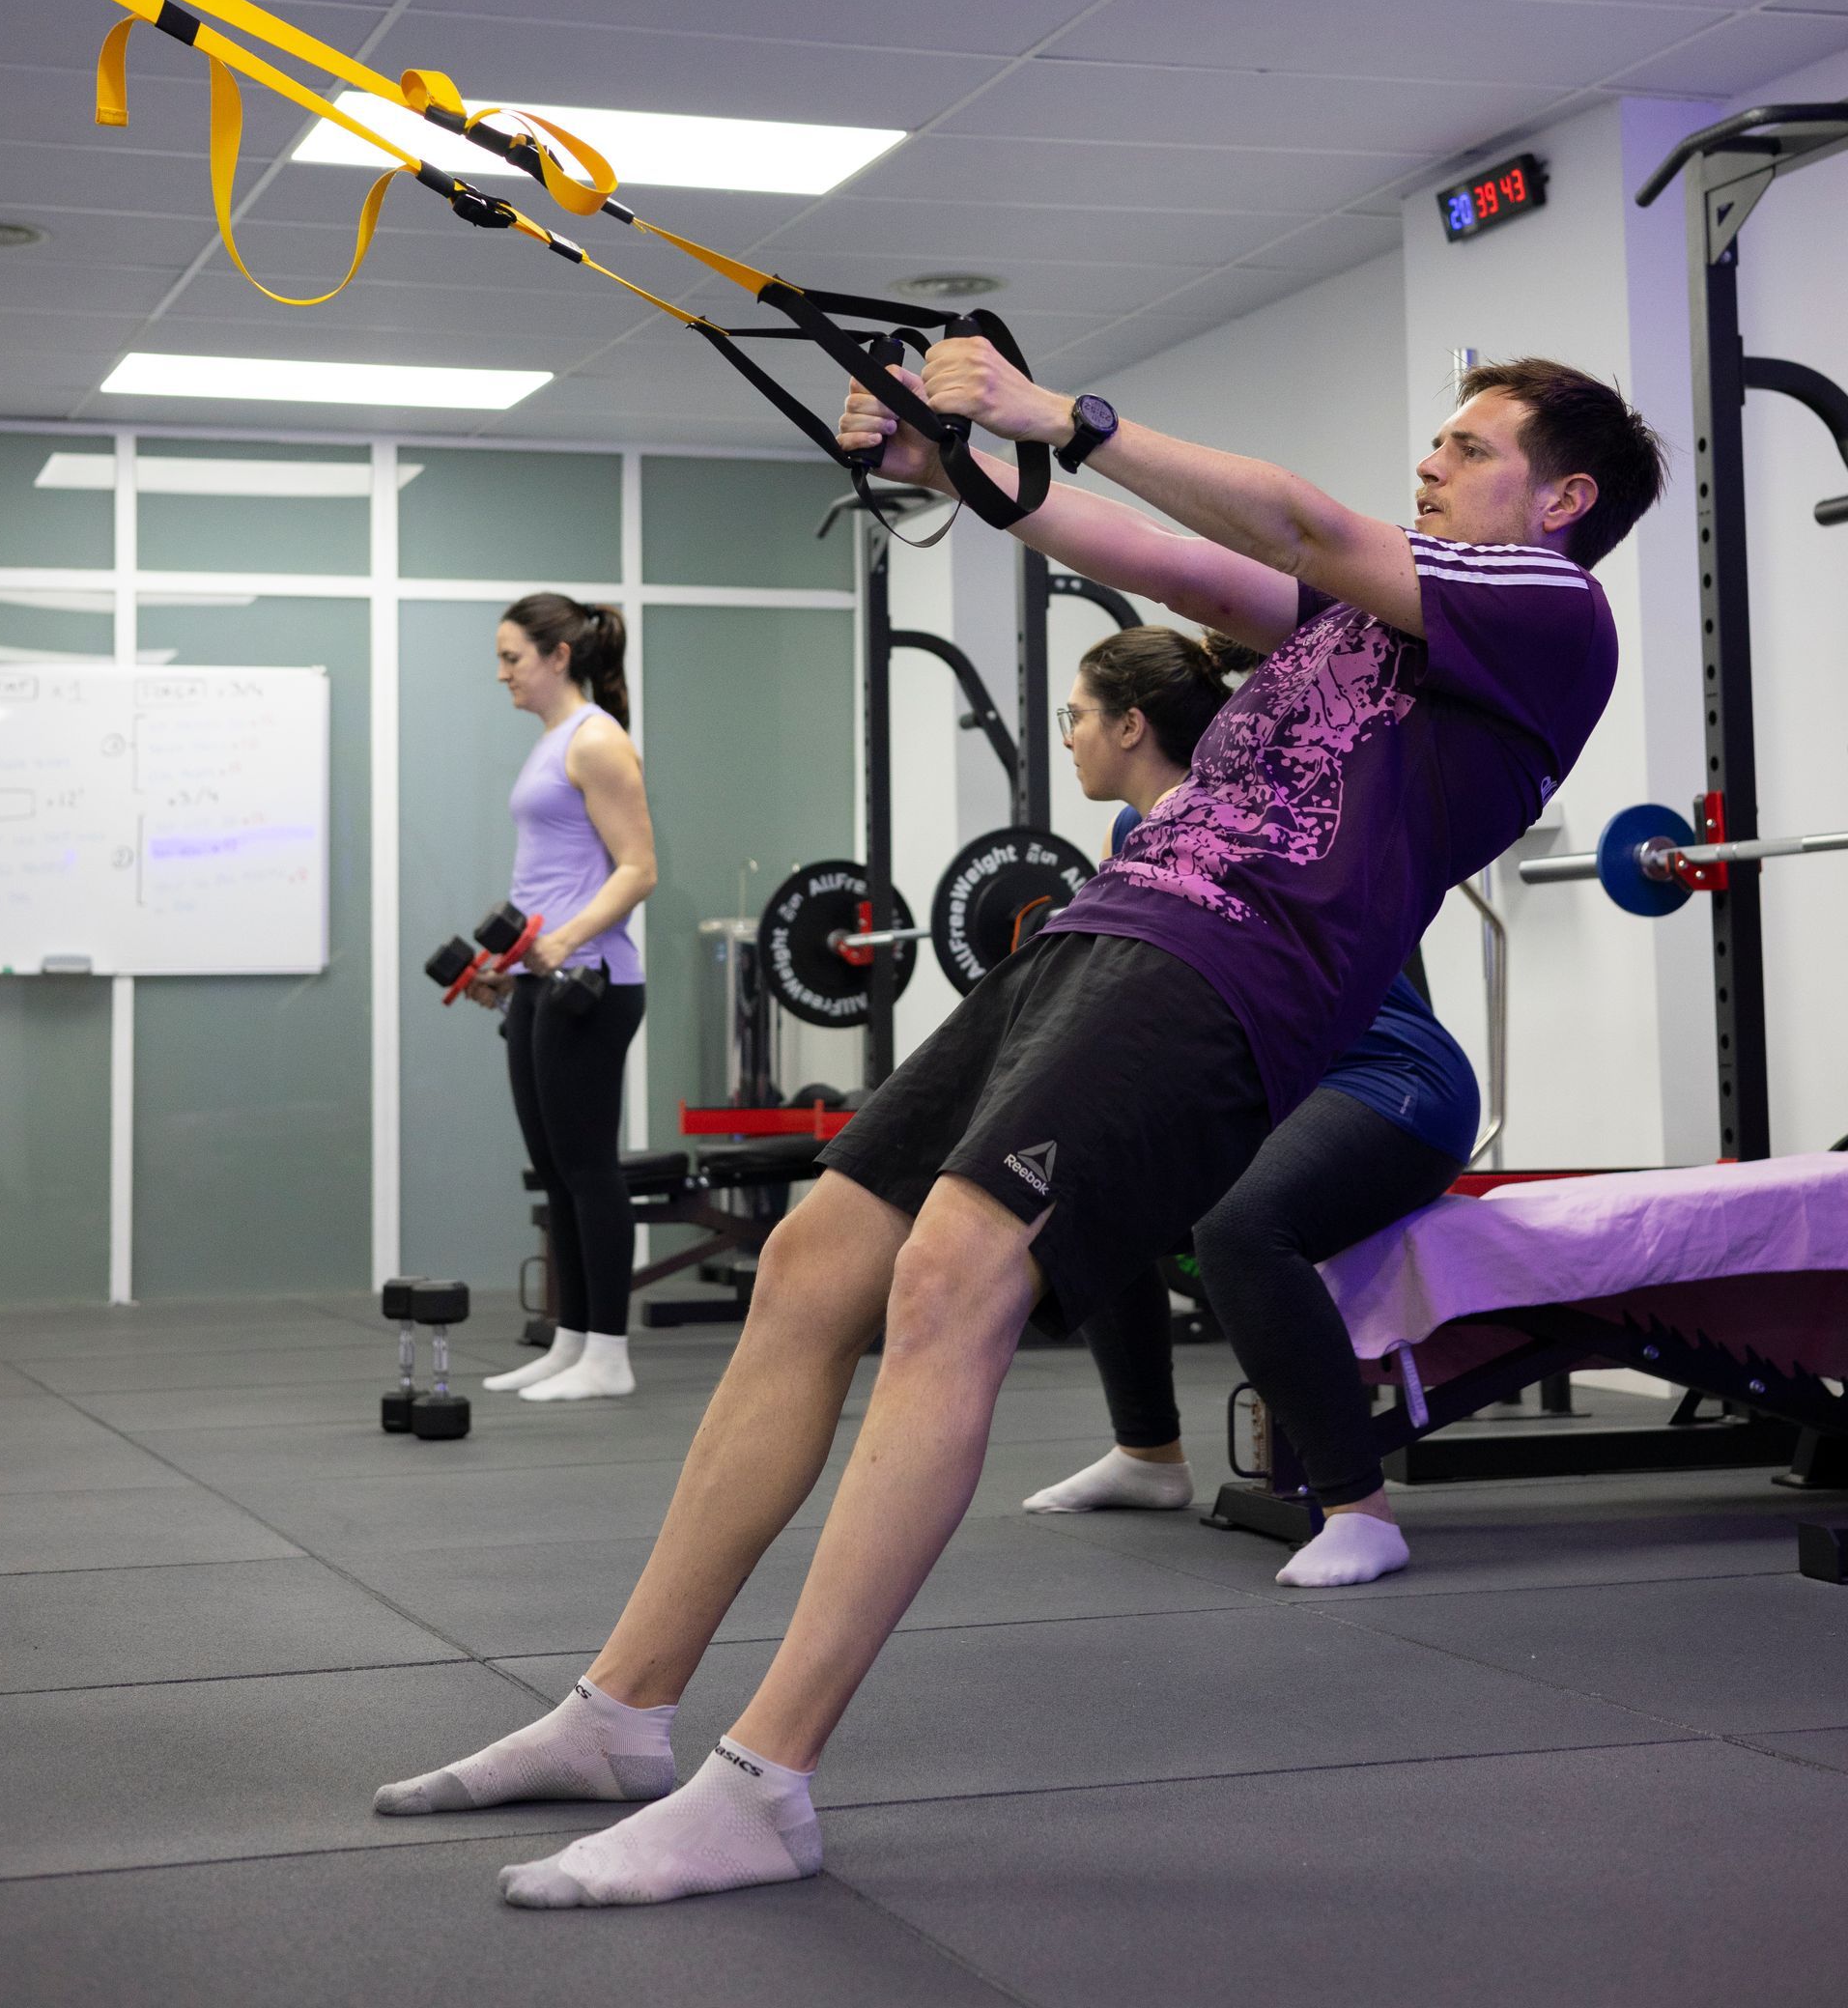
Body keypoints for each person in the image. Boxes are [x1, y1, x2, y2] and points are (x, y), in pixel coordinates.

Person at [375, 350, 1663, 1909]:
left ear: (1564, 497)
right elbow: (1183, 565)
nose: (1431, 463)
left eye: (1468, 446)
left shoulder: (1549, 611)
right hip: (1104, 930)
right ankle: (618, 1714)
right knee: (811, 1263)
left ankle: (764, 1784)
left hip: (1233, 973)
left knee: (953, 1282)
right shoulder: (1365, 620)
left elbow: (1299, 523)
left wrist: (1064, 417)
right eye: (1435, 442)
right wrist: (963, 474)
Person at [1022, 624, 1479, 1580]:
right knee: (1087, 1190)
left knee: (1238, 1226)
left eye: (1077, 716)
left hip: (1393, 1085)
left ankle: (1361, 1512)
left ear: (1131, 726)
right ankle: (1149, 1454)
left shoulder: (1254, 810)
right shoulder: (1130, 834)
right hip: (1282, 1087)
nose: (1068, 735)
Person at [473, 593, 658, 1405]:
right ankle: (573, 1340)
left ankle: (610, 1354)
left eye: (512, 657)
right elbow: (552, 877)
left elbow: (639, 869)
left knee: (588, 1169)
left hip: (593, 980)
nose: (503, 674)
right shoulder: (553, 742)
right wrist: (510, 963)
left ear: (558, 656)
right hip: (540, 977)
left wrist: (565, 940)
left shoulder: (597, 739)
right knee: (554, 1170)